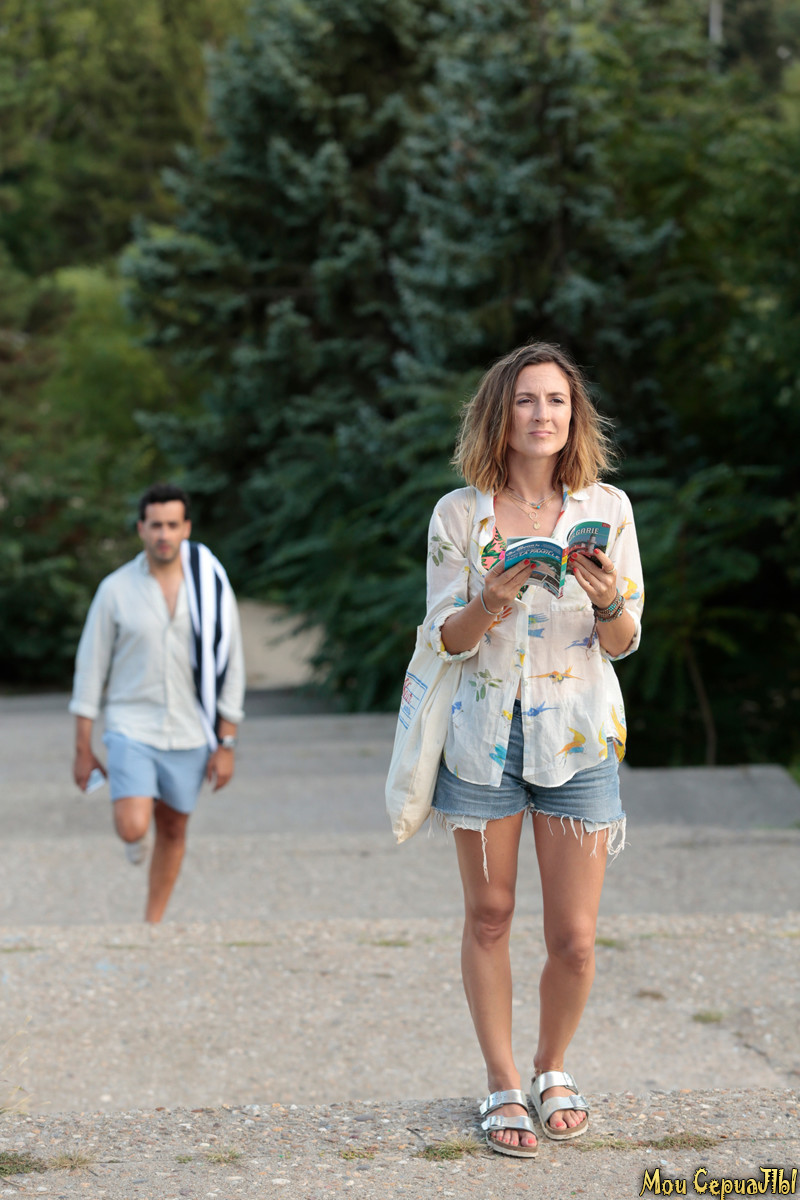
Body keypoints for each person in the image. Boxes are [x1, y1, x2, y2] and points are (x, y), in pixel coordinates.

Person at [423, 342, 644, 1159]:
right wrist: (488, 600)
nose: (542, 414)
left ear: (572, 415)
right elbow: (443, 639)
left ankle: (554, 1067)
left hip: (578, 736)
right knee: (489, 915)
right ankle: (503, 1081)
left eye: (555, 400)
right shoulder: (460, 515)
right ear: (500, 414)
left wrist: (608, 599)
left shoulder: (608, 509)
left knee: (575, 937)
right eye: (525, 400)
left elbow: (625, 641)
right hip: (484, 737)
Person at [70, 483, 246, 924]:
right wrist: (82, 748)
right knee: (133, 825)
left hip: (191, 728)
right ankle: (135, 836)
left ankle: (152, 924)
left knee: (173, 826)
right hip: (132, 725)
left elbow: (233, 663)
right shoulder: (114, 590)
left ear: (186, 528)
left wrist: (226, 743)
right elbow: (90, 669)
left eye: (172, 525)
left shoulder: (210, 585)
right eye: (155, 526)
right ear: (141, 529)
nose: (163, 534)